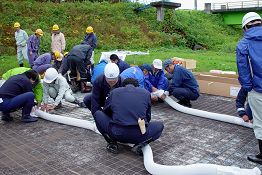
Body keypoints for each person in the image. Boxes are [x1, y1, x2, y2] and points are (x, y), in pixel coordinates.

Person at [93, 78, 164, 154]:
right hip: (139, 135)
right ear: (137, 86)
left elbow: (105, 112)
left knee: (97, 114)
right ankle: (140, 145)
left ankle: (112, 143)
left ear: (123, 86)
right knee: (160, 126)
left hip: (116, 133)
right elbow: (148, 116)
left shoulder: (115, 92)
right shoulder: (146, 93)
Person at [236, 12, 262, 164]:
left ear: (245, 27)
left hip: (258, 90)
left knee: (259, 123)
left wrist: (249, 88)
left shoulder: (244, 44)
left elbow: (244, 71)